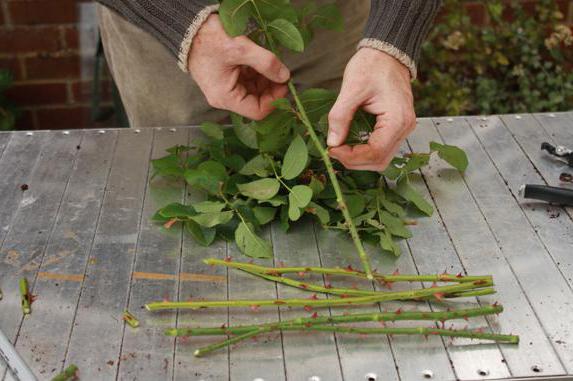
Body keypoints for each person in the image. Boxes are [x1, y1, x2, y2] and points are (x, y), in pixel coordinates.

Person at [96, 0, 441, 171]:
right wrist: (181, 27)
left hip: (324, 17)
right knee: (186, 187)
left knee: (338, 166)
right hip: (168, 24)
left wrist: (393, 41)